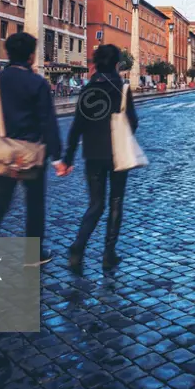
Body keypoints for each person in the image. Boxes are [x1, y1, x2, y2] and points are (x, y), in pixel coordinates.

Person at [0, 32, 63, 266]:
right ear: (32, 56)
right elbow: (48, 121)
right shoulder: (38, 83)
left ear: (8, 53)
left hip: (2, 152)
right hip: (31, 153)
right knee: (34, 204)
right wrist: (58, 157)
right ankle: (34, 255)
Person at [58, 44, 138, 273]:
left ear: (96, 64)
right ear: (116, 64)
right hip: (117, 153)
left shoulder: (88, 88)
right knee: (115, 202)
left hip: (92, 154)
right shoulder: (122, 87)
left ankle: (78, 247)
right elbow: (133, 121)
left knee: (95, 204)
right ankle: (108, 253)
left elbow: (76, 127)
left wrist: (68, 158)